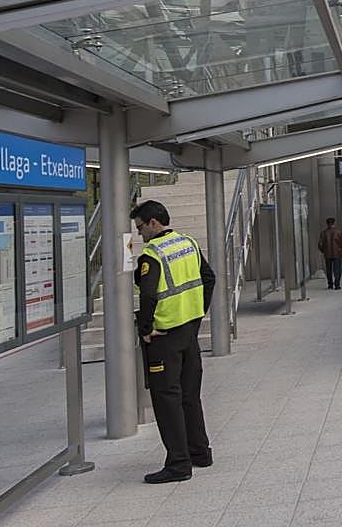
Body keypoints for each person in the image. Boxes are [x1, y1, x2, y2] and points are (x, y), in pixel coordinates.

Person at [130, 200, 216, 484]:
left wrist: (145, 328)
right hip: (189, 333)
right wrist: (197, 312)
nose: (139, 233)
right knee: (190, 396)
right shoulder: (188, 243)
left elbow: (149, 295)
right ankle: (200, 453)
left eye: (141, 227)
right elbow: (208, 277)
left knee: (167, 400)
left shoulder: (152, 254)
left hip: (163, 337)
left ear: (154, 223)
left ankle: (179, 464)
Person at [318, 217, 342, 290]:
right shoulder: (339, 232)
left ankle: (330, 285)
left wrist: (324, 251)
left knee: (329, 270)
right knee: (337, 269)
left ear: (327, 224)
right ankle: (337, 285)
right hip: (337, 253)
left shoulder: (323, 233)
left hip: (327, 254)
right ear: (334, 223)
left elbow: (320, 245)